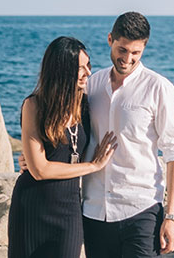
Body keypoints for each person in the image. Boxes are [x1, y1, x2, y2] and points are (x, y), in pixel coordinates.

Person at [81, 11, 174, 257]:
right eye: (122, 49)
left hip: (141, 208)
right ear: (110, 39)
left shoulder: (159, 88)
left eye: (136, 53)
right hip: (94, 209)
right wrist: (34, 157)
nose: (127, 58)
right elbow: (70, 131)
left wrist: (170, 217)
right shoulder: (91, 84)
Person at [8, 36, 117, 258]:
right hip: (31, 205)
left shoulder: (87, 105)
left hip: (69, 209)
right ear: (61, 70)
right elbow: (40, 171)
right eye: (80, 68)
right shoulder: (34, 106)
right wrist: (93, 166)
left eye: (89, 65)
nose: (88, 72)